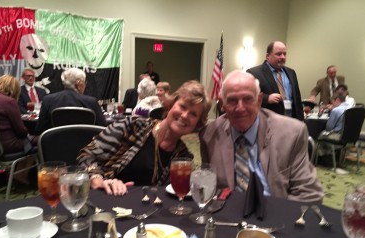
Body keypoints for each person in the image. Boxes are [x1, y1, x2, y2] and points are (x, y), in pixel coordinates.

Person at [200, 70, 323, 202]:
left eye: (247, 99)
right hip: (228, 213)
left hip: (274, 213)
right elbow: (207, 188)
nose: (240, 108)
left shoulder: (292, 133)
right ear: (222, 104)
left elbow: (310, 194)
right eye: (232, 100)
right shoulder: (209, 135)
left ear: (259, 100)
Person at [78, 80, 211, 196]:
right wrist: (97, 179)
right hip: (108, 199)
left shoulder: (184, 158)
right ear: (170, 105)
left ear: (197, 124)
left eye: (193, 114)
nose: (185, 115)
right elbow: (87, 154)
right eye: (182, 106)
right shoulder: (133, 126)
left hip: (147, 214)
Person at [35, 68, 107, 134]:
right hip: (85, 146)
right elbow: (102, 128)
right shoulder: (91, 102)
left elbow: (39, 129)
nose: (85, 85)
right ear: (78, 83)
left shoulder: (48, 100)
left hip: (55, 145)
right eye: (85, 82)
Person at [247, 41, 304, 120]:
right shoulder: (254, 73)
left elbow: (297, 99)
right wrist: (267, 99)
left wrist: (301, 121)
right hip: (268, 122)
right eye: (279, 54)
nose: (283, 57)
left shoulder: (291, 72)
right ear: (268, 56)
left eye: (284, 54)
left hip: (291, 120)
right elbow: (248, 97)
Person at [0, 74, 37, 154]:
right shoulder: (9, 101)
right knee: (43, 138)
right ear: (15, 88)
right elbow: (21, 132)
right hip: (8, 145)